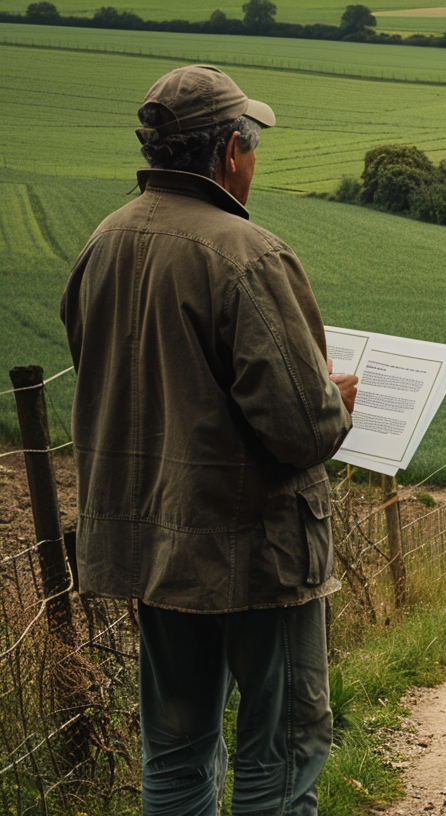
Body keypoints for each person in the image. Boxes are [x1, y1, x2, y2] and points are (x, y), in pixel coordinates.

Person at [60, 65, 357, 816]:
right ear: (230, 152)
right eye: (252, 147)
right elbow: (303, 431)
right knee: (280, 748)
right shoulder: (247, 254)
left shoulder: (104, 242)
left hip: (154, 550)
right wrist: (334, 400)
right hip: (256, 550)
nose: (254, 162)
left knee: (176, 750)